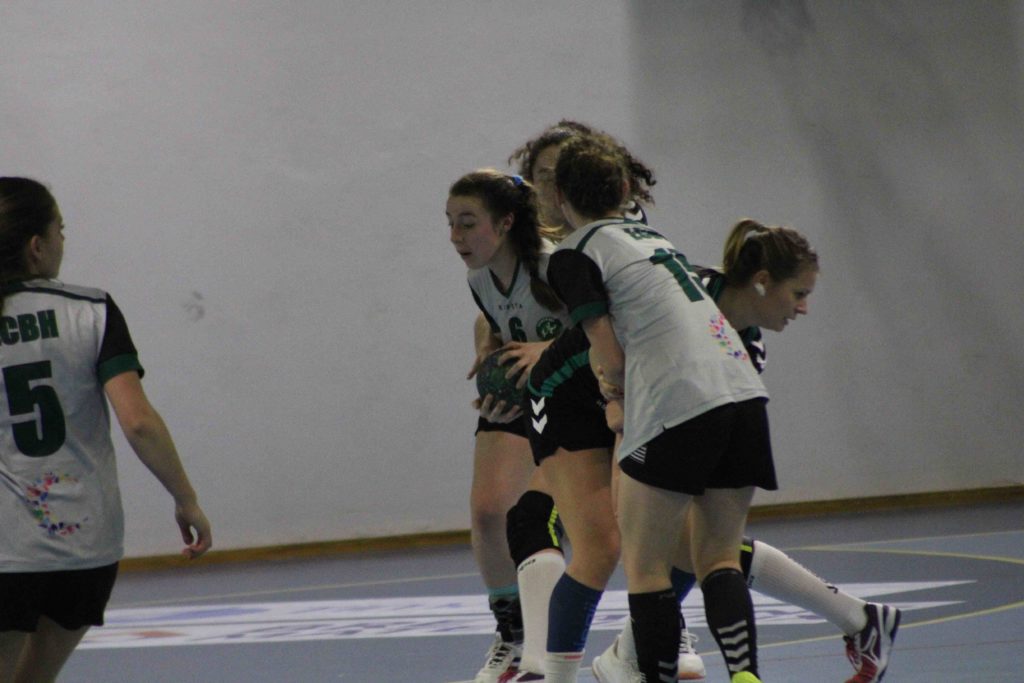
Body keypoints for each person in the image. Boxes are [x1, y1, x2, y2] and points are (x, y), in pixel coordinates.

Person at [591, 220, 900, 683]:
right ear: (761, 281)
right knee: (686, 547)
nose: (804, 308)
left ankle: (855, 618)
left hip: (663, 417)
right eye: (798, 293)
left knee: (693, 548)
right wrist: (608, 394)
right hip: (633, 405)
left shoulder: (748, 348)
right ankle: (855, 618)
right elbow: (609, 330)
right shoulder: (685, 294)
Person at [543, 135, 772, 683]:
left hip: (677, 400)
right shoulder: (654, 238)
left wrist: (616, 405)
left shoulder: (576, 252)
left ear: (559, 198)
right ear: (625, 188)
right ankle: (747, 676)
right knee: (718, 558)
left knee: (646, 569)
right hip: (743, 392)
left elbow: (608, 352)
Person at [0, 177, 212, 683]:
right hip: (85, 545)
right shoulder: (91, 311)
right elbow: (138, 422)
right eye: (60, 229)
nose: (64, 240)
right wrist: (185, 498)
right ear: (36, 246)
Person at [448, 169, 571, 683]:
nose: (455, 236)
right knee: (486, 512)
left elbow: (606, 328)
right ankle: (513, 635)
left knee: (590, 527)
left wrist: (547, 349)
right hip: (525, 395)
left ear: (504, 223)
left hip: (579, 394)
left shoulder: (555, 265)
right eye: (450, 223)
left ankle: (660, 626)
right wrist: (490, 350)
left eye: (467, 222)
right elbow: (497, 321)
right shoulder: (479, 278)